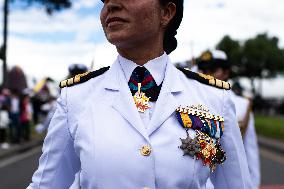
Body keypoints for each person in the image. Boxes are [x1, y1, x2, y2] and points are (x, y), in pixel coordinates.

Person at [28, 1, 253, 188]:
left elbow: (235, 184)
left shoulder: (212, 99)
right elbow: (47, 185)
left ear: (166, 13)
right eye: (104, 0)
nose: (111, 5)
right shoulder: (77, 98)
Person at [197, 50, 260, 189]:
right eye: (203, 70)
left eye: (213, 70)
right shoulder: (188, 102)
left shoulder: (242, 105)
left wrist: (253, 184)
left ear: (226, 73)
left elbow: (249, 151)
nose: (206, 75)